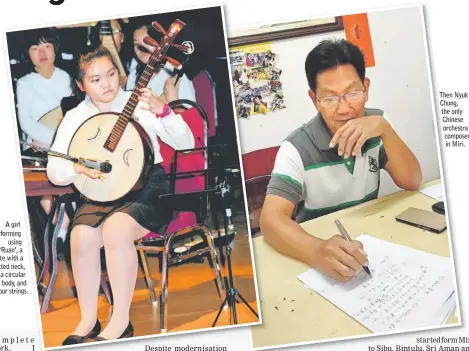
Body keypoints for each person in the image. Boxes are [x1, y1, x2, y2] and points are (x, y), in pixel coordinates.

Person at [46, 46, 194, 344]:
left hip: (148, 187)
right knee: (81, 236)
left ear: (119, 72)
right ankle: (88, 319)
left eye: (111, 74)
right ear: (81, 85)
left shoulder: (139, 102)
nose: (107, 84)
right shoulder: (76, 117)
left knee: (116, 229)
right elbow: (54, 169)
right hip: (104, 192)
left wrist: (164, 111)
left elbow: (187, 143)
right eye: (96, 79)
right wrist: (76, 168)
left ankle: (121, 320)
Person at [260, 39, 421, 283]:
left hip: (370, 243)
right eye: (330, 98)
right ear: (314, 99)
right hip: (321, 253)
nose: (345, 109)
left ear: (366, 88)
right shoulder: (296, 148)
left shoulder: (376, 125)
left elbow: (412, 181)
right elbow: (270, 220)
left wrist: (386, 130)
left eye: (352, 93)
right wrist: (315, 250)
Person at [16, 28, 73, 246]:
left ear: (55, 50)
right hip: (40, 148)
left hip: (69, 145)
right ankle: (62, 228)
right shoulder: (25, 83)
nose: (42, 52)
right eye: (35, 48)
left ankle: (66, 231)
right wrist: (55, 143)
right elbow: (26, 123)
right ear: (28, 54)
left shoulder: (66, 78)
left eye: (47, 46)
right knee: (44, 187)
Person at [125, 24, 196, 104]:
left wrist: (173, 101)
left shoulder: (177, 76)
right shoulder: (134, 72)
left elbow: (191, 114)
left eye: (148, 42)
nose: (142, 48)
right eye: (137, 44)